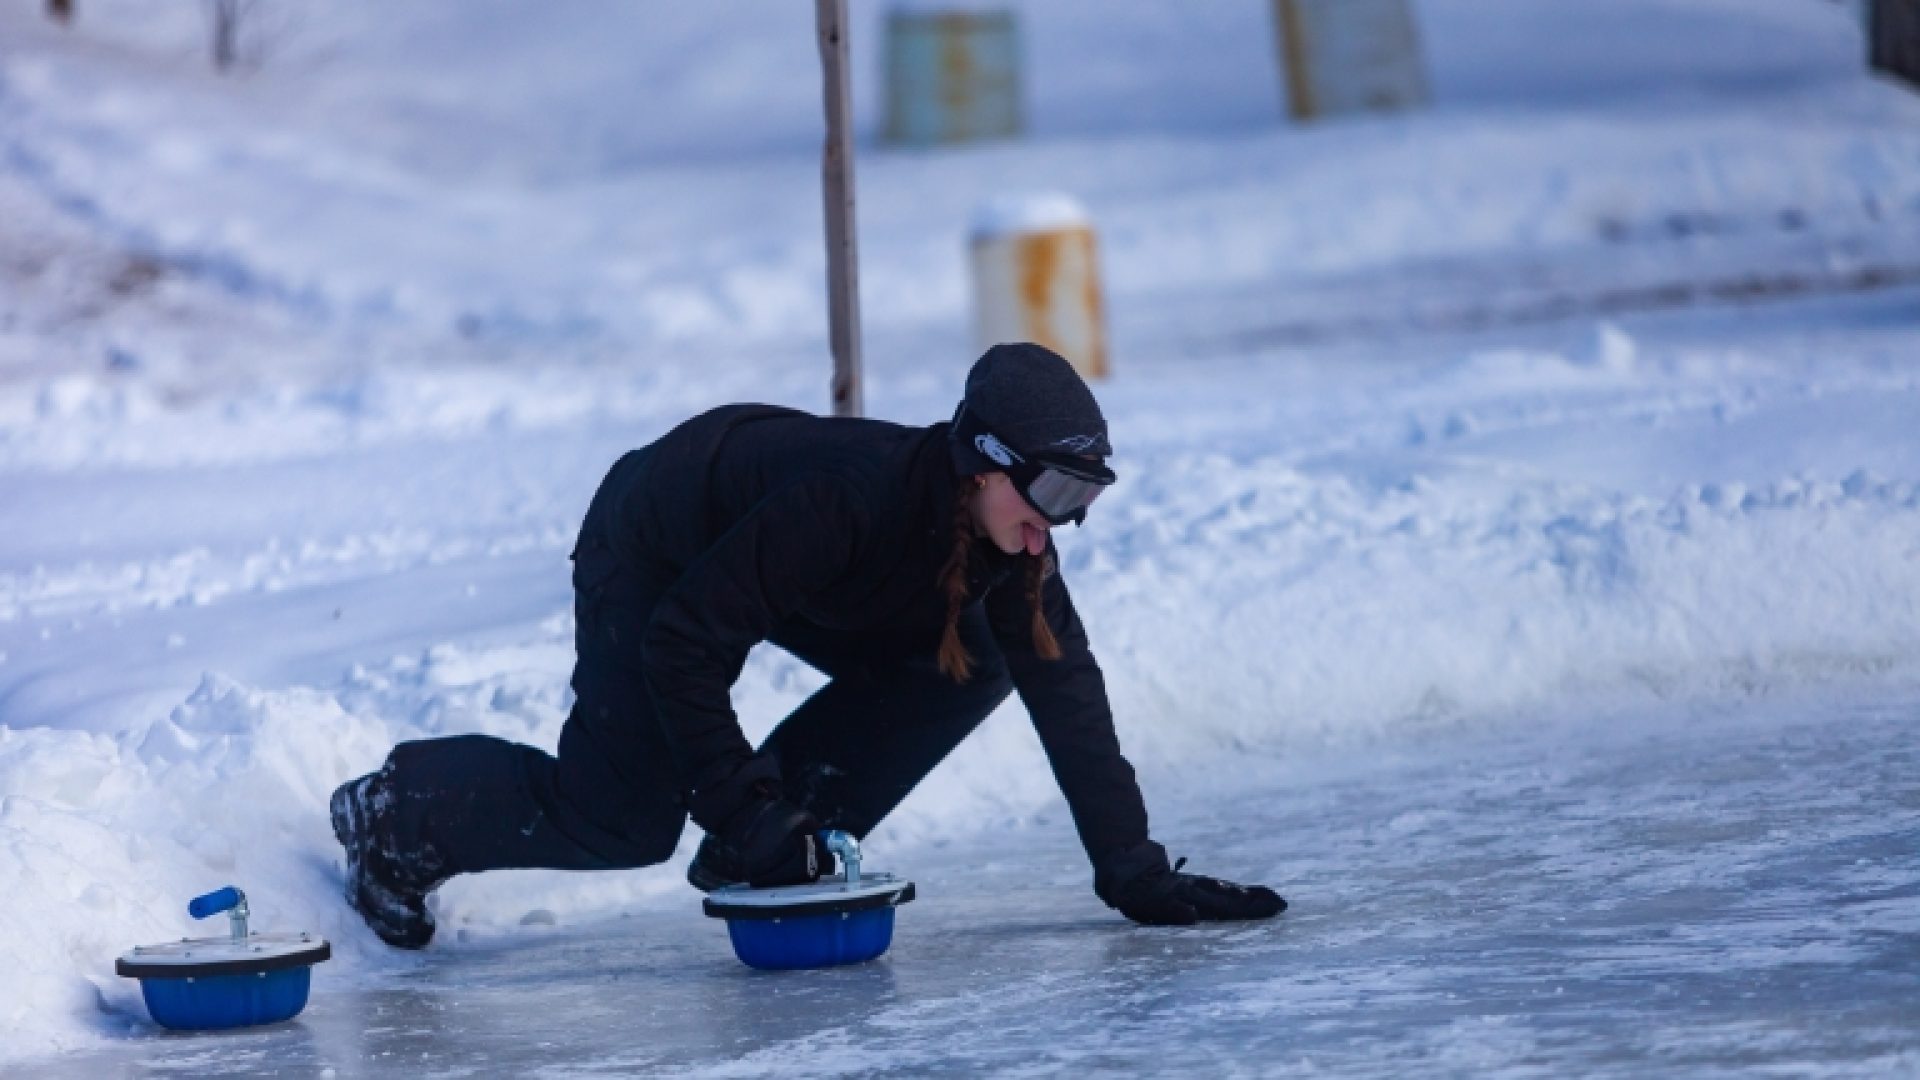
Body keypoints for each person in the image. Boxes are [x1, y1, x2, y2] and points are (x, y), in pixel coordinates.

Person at [329, 342, 1285, 949]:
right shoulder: (849, 503)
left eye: (1083, 501)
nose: (1059, 526)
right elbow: (682, 647)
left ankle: (778, 833)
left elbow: (1065, 686)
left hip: (790, 577)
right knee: (624, 819)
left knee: (985, 655)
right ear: (984, 464)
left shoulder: (1004, 542)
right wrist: (742, 808)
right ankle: (399, 814)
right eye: (1055, 494)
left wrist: (1135, 871)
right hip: (655, 545)